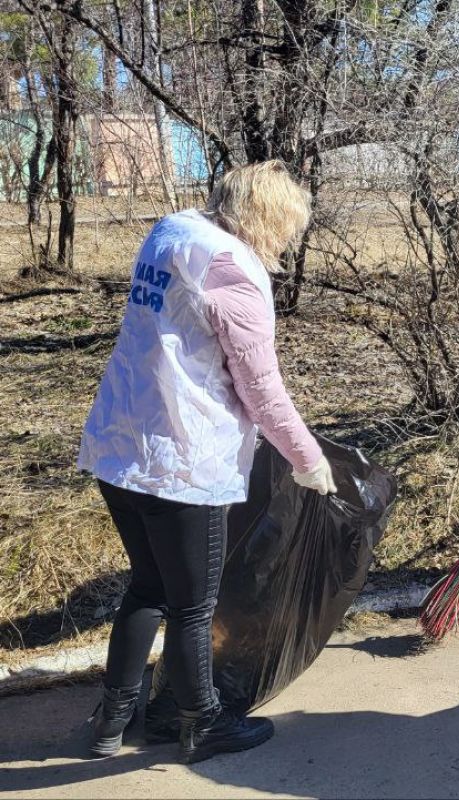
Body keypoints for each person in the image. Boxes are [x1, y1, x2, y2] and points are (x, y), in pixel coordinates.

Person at [77, 160, 337, 763]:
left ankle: (111, 722)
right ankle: (204, 724)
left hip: (120, 442)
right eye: (287, 226)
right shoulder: (232, 270)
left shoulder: (171, 235)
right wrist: (307, 458)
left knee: (146, 587)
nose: (287, 241)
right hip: (181, 456)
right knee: (193, 606)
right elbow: (260, 386)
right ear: (269, 217)